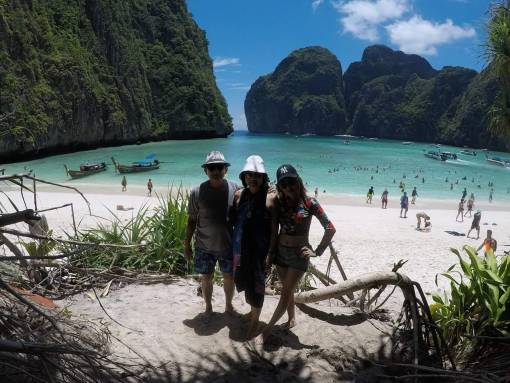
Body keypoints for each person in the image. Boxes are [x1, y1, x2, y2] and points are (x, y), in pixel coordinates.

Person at [261, 164, 335, 343]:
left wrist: (317, 251)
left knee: (285, 292)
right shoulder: (279, 201)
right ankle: (291, 319)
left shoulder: (310, 203)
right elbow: (265, 207)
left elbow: (330, 228)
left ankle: (268, 329)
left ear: (298, 181)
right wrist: (269, 192)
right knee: (288, 291)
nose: (289, 187)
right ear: (280, 186)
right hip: (280, 253)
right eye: (283, 184)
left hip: (299, 256)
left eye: (291, 182)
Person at [184, 151, 240, 315]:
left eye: (219, 167)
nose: (216, 171)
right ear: (205, 171)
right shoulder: (197, 192)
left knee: (229, 277)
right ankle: (208, 307)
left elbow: (252, 196)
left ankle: (228, 306)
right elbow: (192, 220)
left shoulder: (235, 188)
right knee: (206, 278)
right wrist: (186, 244)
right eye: (212, 168)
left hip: (227, 245)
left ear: (225, 169)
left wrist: (271, 189)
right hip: (203, 246)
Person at [232, 155, 275, 338]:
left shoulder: (270, 198)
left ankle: (255, 322)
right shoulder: (239, 195)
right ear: (244, 176)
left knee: (257, 285)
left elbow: (275, 229)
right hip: (241, 249)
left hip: (260, 251)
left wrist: (271, 253)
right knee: (244, 281)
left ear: (264, 178)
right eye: (249, 174)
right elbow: (234, 220)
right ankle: (252, 312)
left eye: (257, 175)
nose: (253, 178)